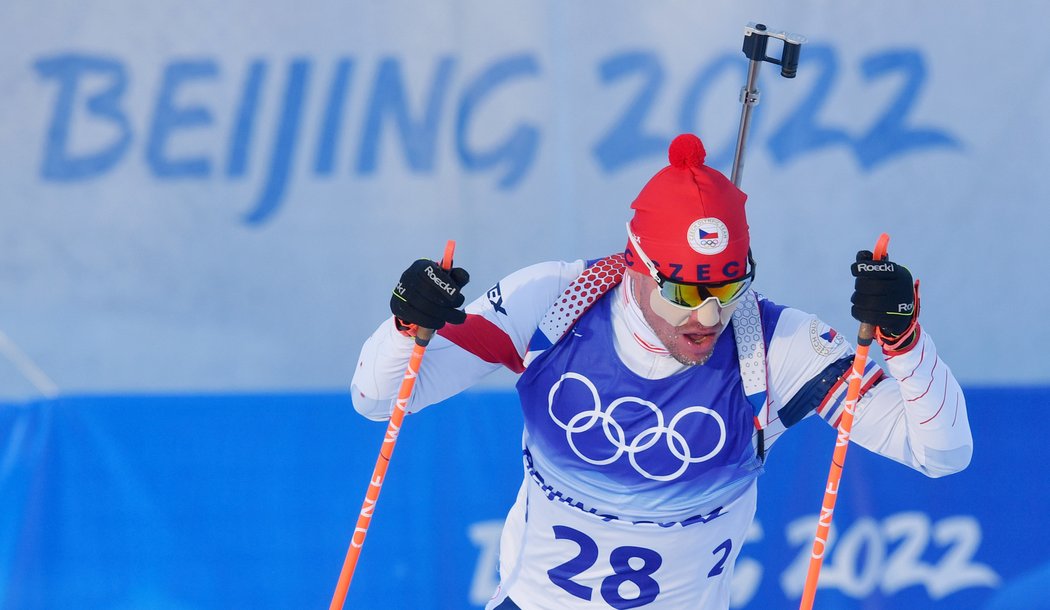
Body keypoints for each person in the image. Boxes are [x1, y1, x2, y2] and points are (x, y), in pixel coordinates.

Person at [351, 133, 973, 609]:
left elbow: (941, 454)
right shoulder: (558, 302)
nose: (708, 315)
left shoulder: (771, 345)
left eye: (729, 287)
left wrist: (904, 340)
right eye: (684, 293)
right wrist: (407, 324)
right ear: (636, 266)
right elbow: (378, 398)